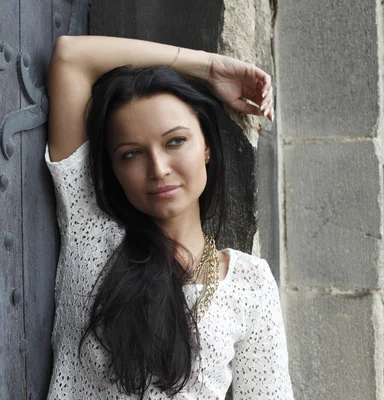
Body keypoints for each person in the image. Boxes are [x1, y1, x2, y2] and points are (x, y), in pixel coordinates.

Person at [44, 35, 293, 399]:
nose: (158, 169)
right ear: (113, 168)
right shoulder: (91, 230)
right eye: (131, 154)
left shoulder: (249, 283)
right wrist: (207, 67)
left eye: (176, 141)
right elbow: (71, 57)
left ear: (206, 147)